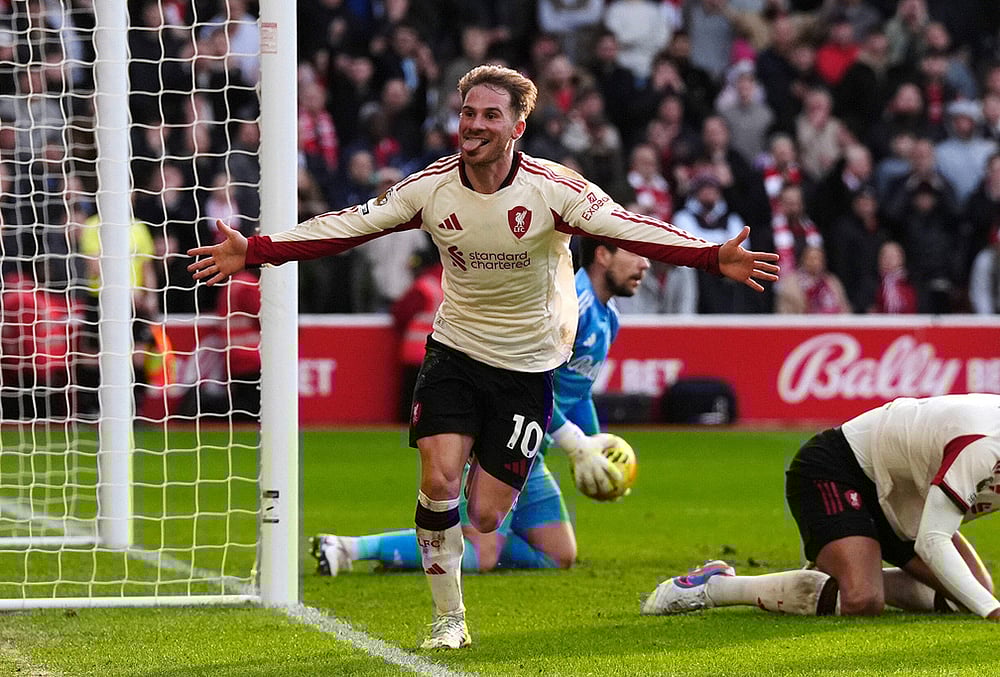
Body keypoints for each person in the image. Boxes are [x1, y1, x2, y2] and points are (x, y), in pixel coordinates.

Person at [187, 64, 779, 650]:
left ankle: (467, 493)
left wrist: (709, 256)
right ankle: (451, 618)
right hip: (455, 353)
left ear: (517, 126)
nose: (473, 125)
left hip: (526, 369)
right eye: (467, 112)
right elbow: (351, 225)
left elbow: (629, 227)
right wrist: (258, 249)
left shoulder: (555, 190)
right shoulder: (432, 187)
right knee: (438, 479)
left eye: (489, 115)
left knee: (488, 515)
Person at [310, 238, 649, 577]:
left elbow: (578, 392)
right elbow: (526, 383)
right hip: (502, 438)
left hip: (533, 451)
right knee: (480, 552)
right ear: (603, 255)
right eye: (636, 255)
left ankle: (443, 548)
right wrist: (575, 443)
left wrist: (595, 450)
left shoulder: (609, 319)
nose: (645, 265)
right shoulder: (570, 306)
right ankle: (348, 548)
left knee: (557, 554)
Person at [641, 394, 1000, 621]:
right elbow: (933, 541)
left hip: (904, 499)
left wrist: (981, 601)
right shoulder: (982, 445)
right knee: (863, 599)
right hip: (839, 468)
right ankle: (715, 586)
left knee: (966, 595)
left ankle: (840, 572)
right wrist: (991, 610)